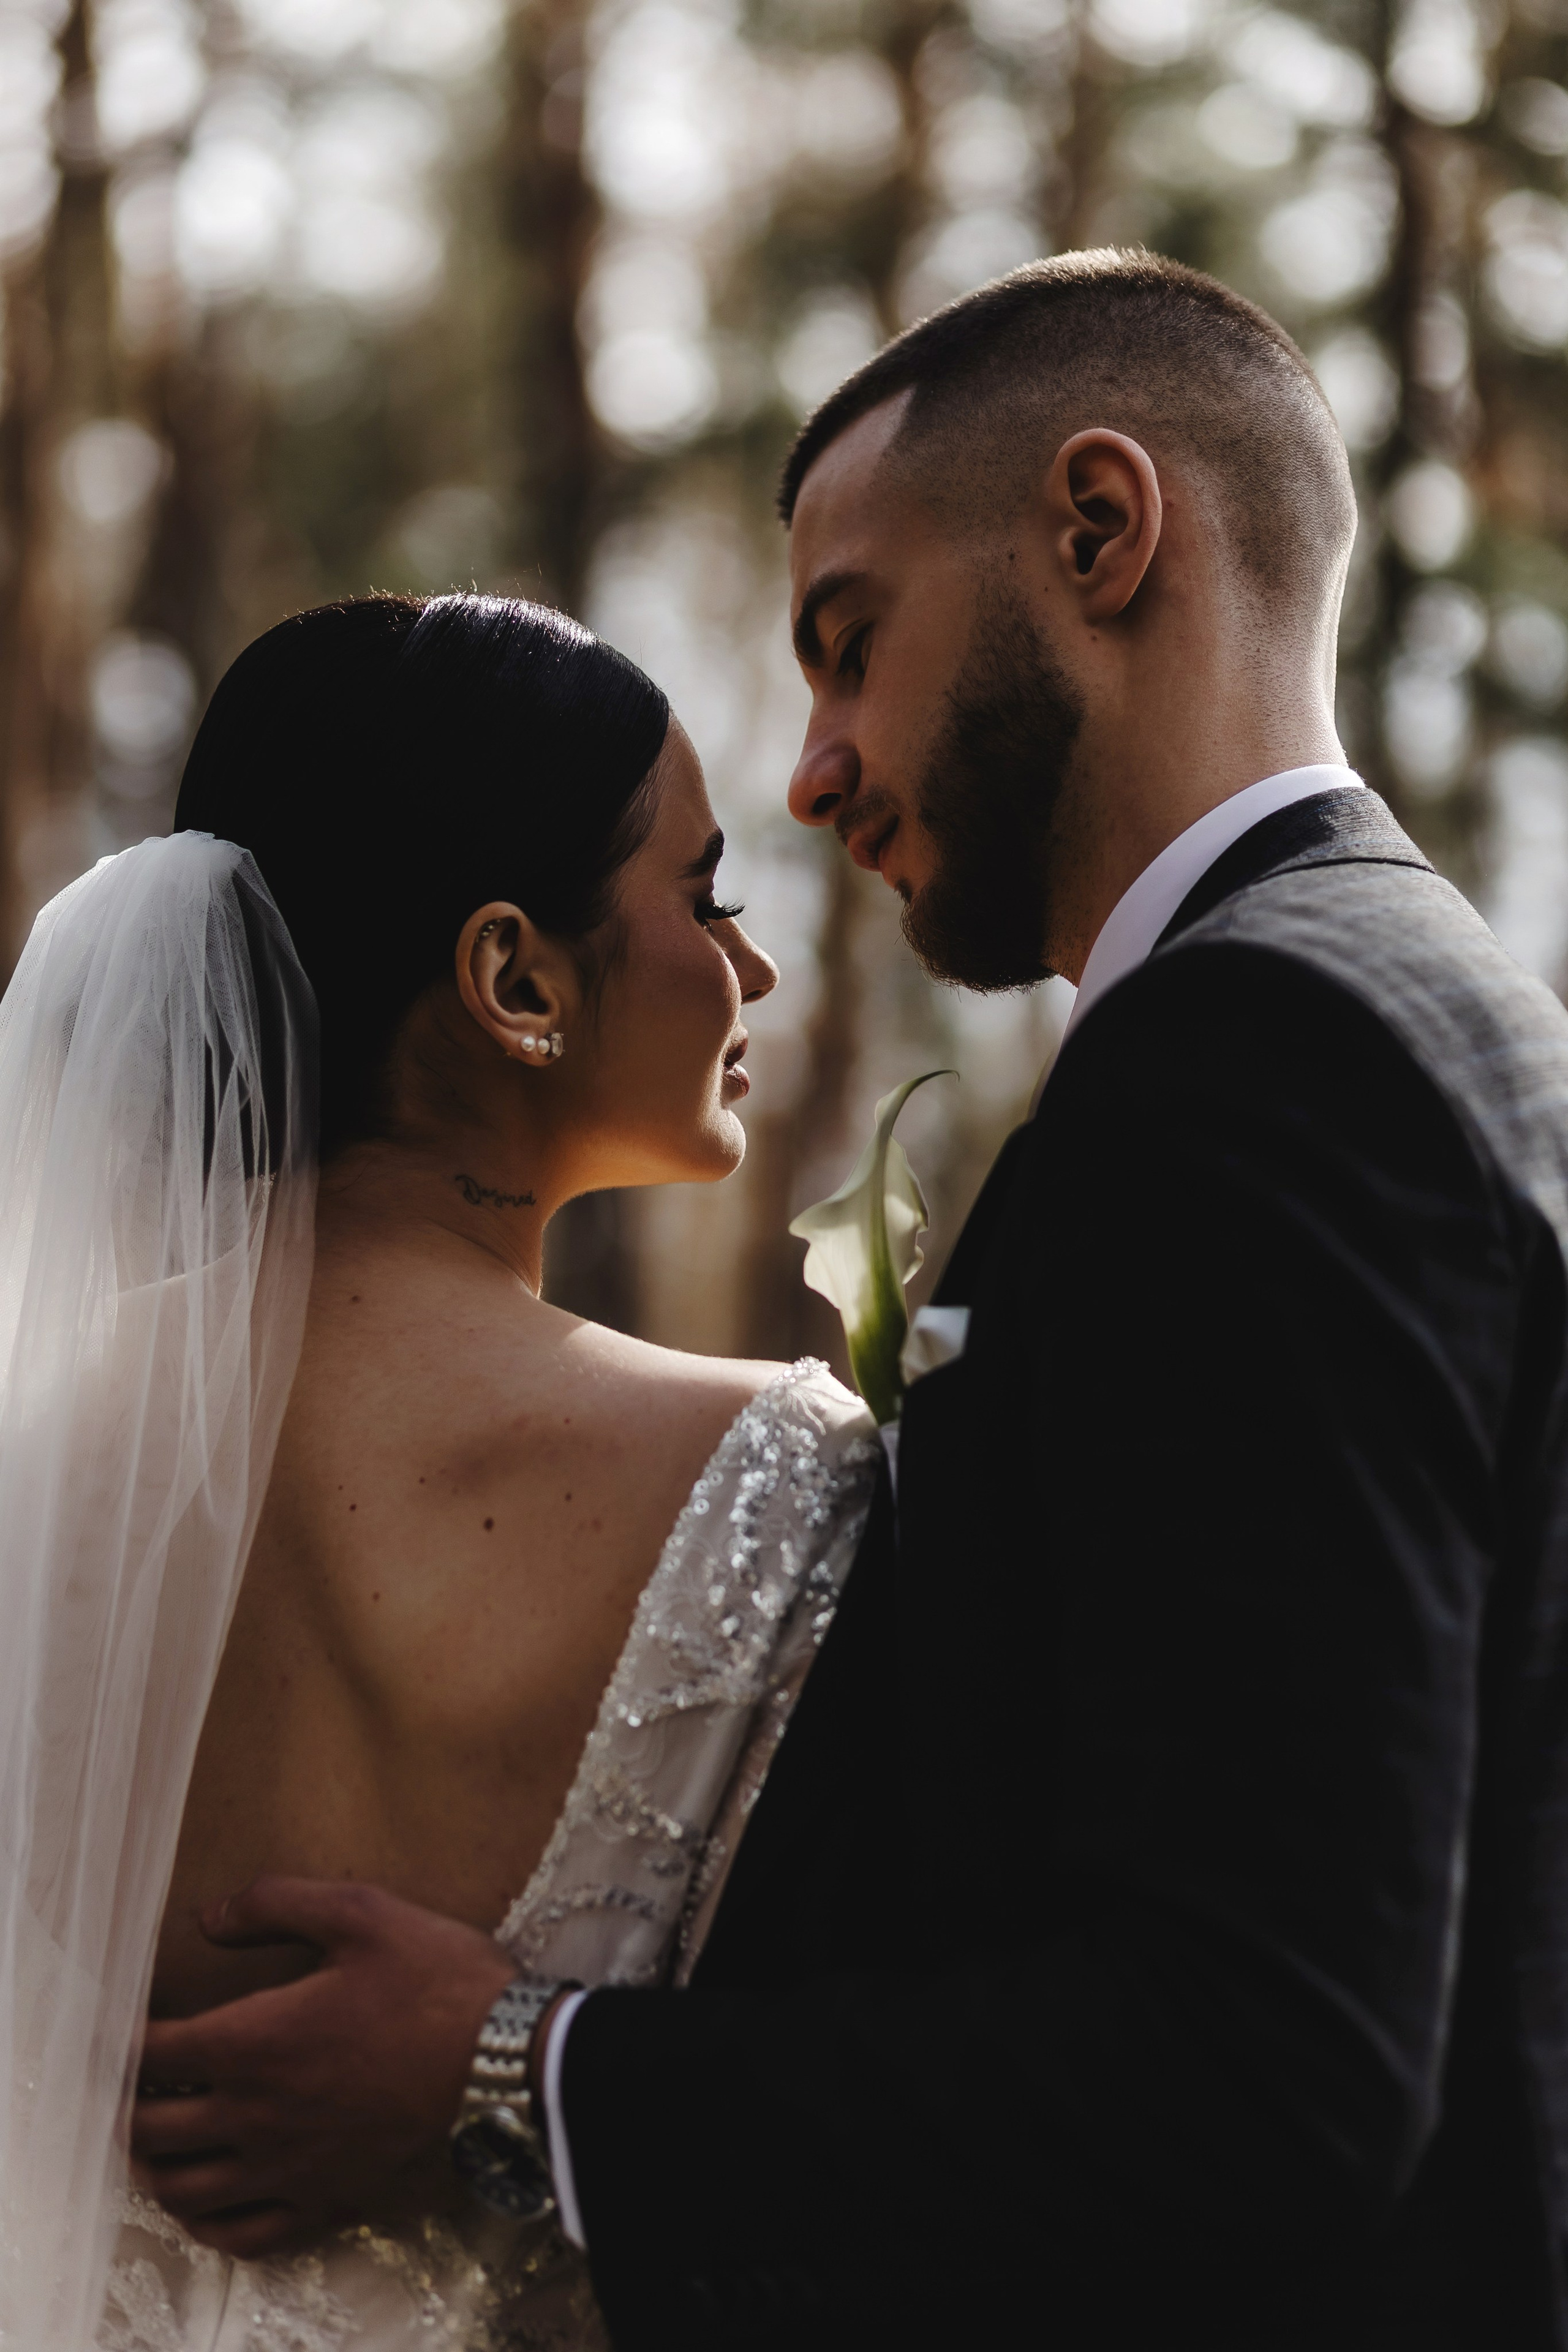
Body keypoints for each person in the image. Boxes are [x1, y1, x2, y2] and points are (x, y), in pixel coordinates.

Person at [132, 251, 1568, 2350]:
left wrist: (513, 2065)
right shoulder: (1430, 1016)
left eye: (845, 644)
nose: (816, 774)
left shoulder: (1266, 1066)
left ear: (1099, 530)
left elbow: (1266, 2044)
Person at [0, 593, 881, 2349]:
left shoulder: (26, 1453)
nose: (753, 967)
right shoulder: (769, 1473)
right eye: (703, 897)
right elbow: (875, 2100)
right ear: (515, 978)